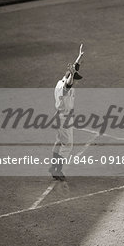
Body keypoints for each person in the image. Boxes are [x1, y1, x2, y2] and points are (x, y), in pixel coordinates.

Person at [50, 44, 84, 180]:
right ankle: (56, 169)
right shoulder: (65, 87)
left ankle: (54, 166)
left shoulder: (60, 82)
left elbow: (71, 74)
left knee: (59, 142)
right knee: (68, 145)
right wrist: (72, 75)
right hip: (64, 119)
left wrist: (79, 57)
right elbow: (69, 83)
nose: (77, 81)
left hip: (58, 116)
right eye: (76, 79)